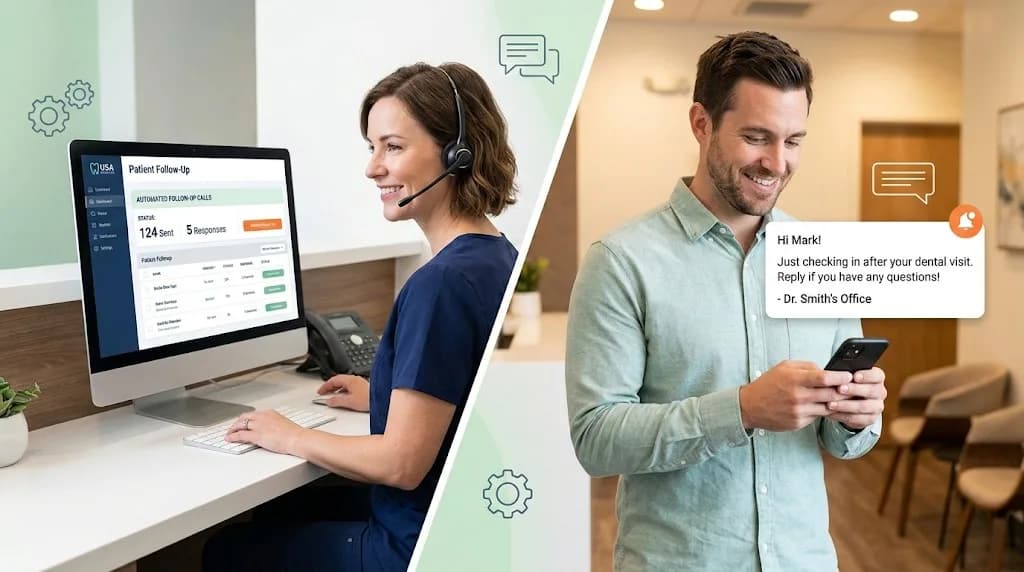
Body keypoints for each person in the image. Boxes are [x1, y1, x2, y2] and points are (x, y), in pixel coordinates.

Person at [565, 32, 887, 571]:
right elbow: (595, 438)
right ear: (701, 123)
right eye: (757, 137)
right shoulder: (621, 261)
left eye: (794, 141)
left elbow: (842, 442)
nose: (777, 163)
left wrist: (857, 418)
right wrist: (740, 409)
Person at [203, 62, 519, 572]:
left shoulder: (440, 283)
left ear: (457, 152)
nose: (373, 168)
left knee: (227, 549)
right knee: (283, 509)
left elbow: (401, 464)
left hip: (410, 547)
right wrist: (377, 394)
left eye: (392, 147)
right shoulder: (496, 254)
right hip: (457, 524)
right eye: (372, 148)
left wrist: (290, 435)